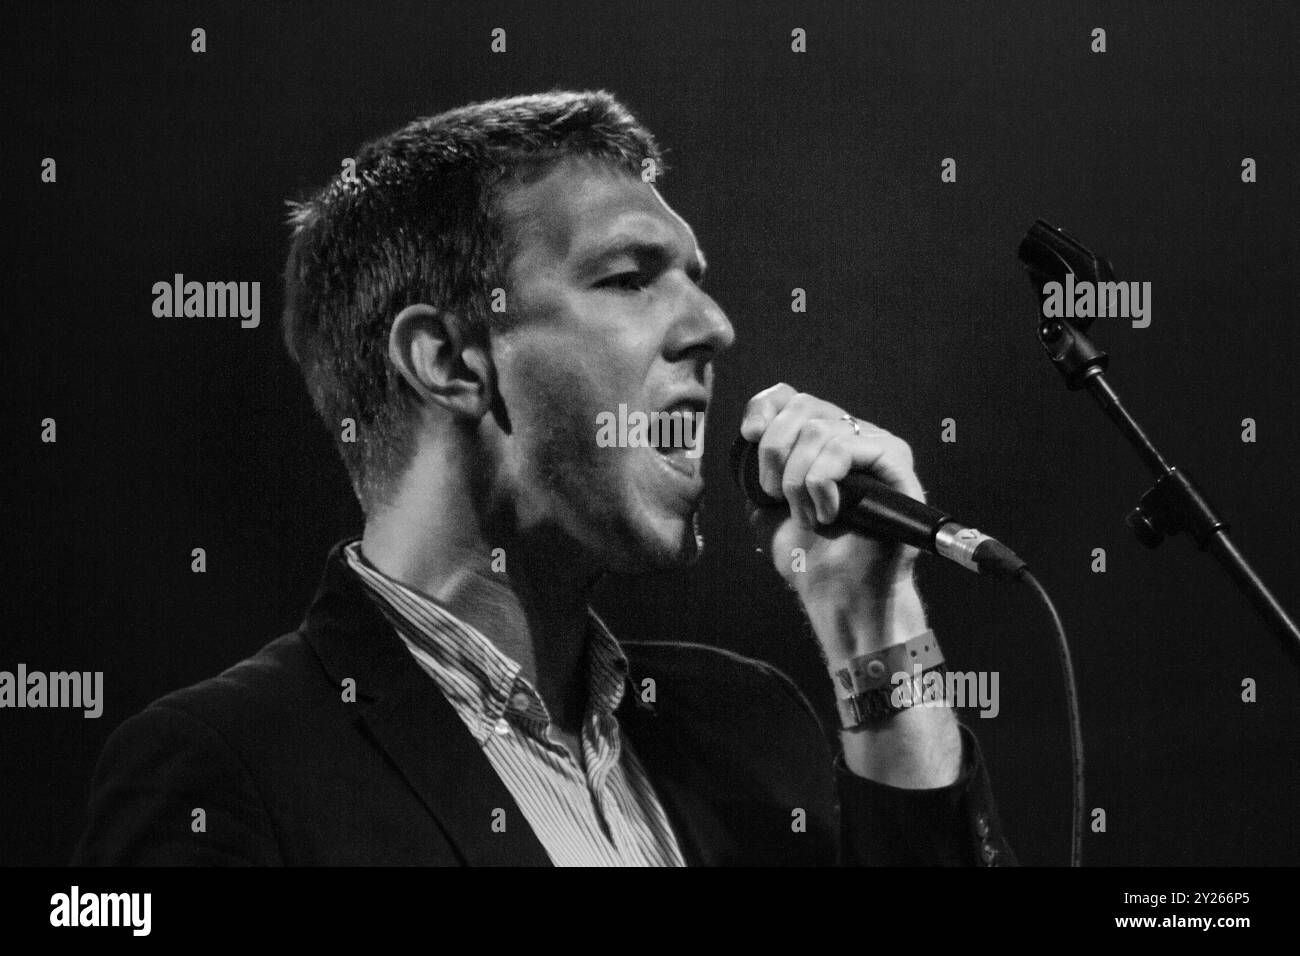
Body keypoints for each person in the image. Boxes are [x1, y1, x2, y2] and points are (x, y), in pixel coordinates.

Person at [74, 90, 1015, 866]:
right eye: (629, 277)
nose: (714, 327)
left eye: (695, 276)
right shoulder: (225, 770)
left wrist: (871, 625)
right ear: (450, 360)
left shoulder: (749, 729)